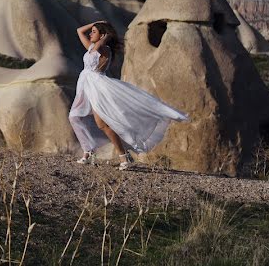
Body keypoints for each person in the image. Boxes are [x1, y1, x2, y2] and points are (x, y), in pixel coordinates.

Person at [68, 20, 188, 170]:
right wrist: (96, 23)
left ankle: (123, 157)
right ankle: (89, 151)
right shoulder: (92, 46)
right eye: (91, 31)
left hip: (98, 87)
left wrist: (105, 37)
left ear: (102, 36)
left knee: (102, 125)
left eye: (94, 32)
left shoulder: (104, 49)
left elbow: (96, 50)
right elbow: (79, 30)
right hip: (86, 86)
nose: (90, 34)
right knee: (75, 117)